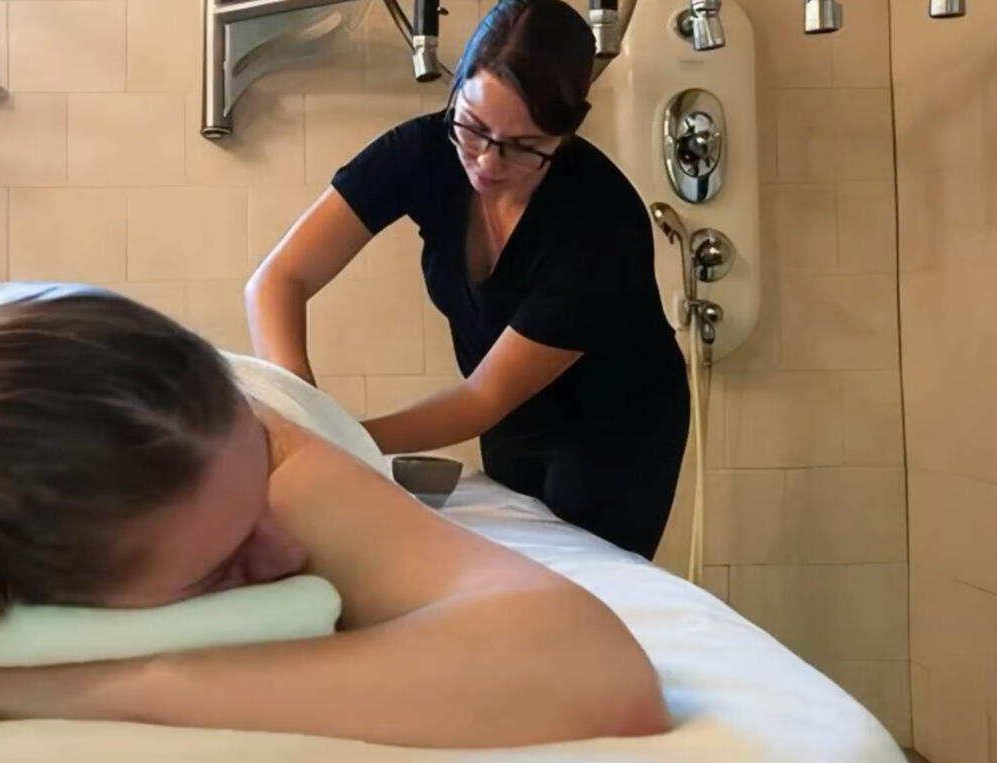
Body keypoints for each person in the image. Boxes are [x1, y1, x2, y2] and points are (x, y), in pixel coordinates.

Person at [0, 284, 670, 747]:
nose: (288, 555)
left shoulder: (264, 457)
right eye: (223, 565)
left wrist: (71, 687)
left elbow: (595, 675)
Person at [245, 0, 690, 559]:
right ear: (456, 93)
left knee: (583, 579)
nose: (486, 162)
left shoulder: (601, 222)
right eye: (473, 128)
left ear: (564, 134)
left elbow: (484, 397)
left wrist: (340, 440)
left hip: (616, 425)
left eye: (522, 147)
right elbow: (279, 279)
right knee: (511, 569)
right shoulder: (424, 150)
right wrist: (302, 413)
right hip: (513, 421)